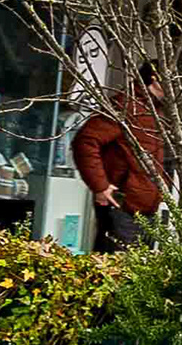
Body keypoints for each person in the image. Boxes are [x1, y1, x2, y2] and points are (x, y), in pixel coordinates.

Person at [72, 63, 171, 249]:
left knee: (134, 274)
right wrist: (100, 186)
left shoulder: (154, 111)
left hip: (144, 212)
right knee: (114, 271)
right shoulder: (125, 106)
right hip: (122, 208)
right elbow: (85, 141)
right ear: (154, 79)